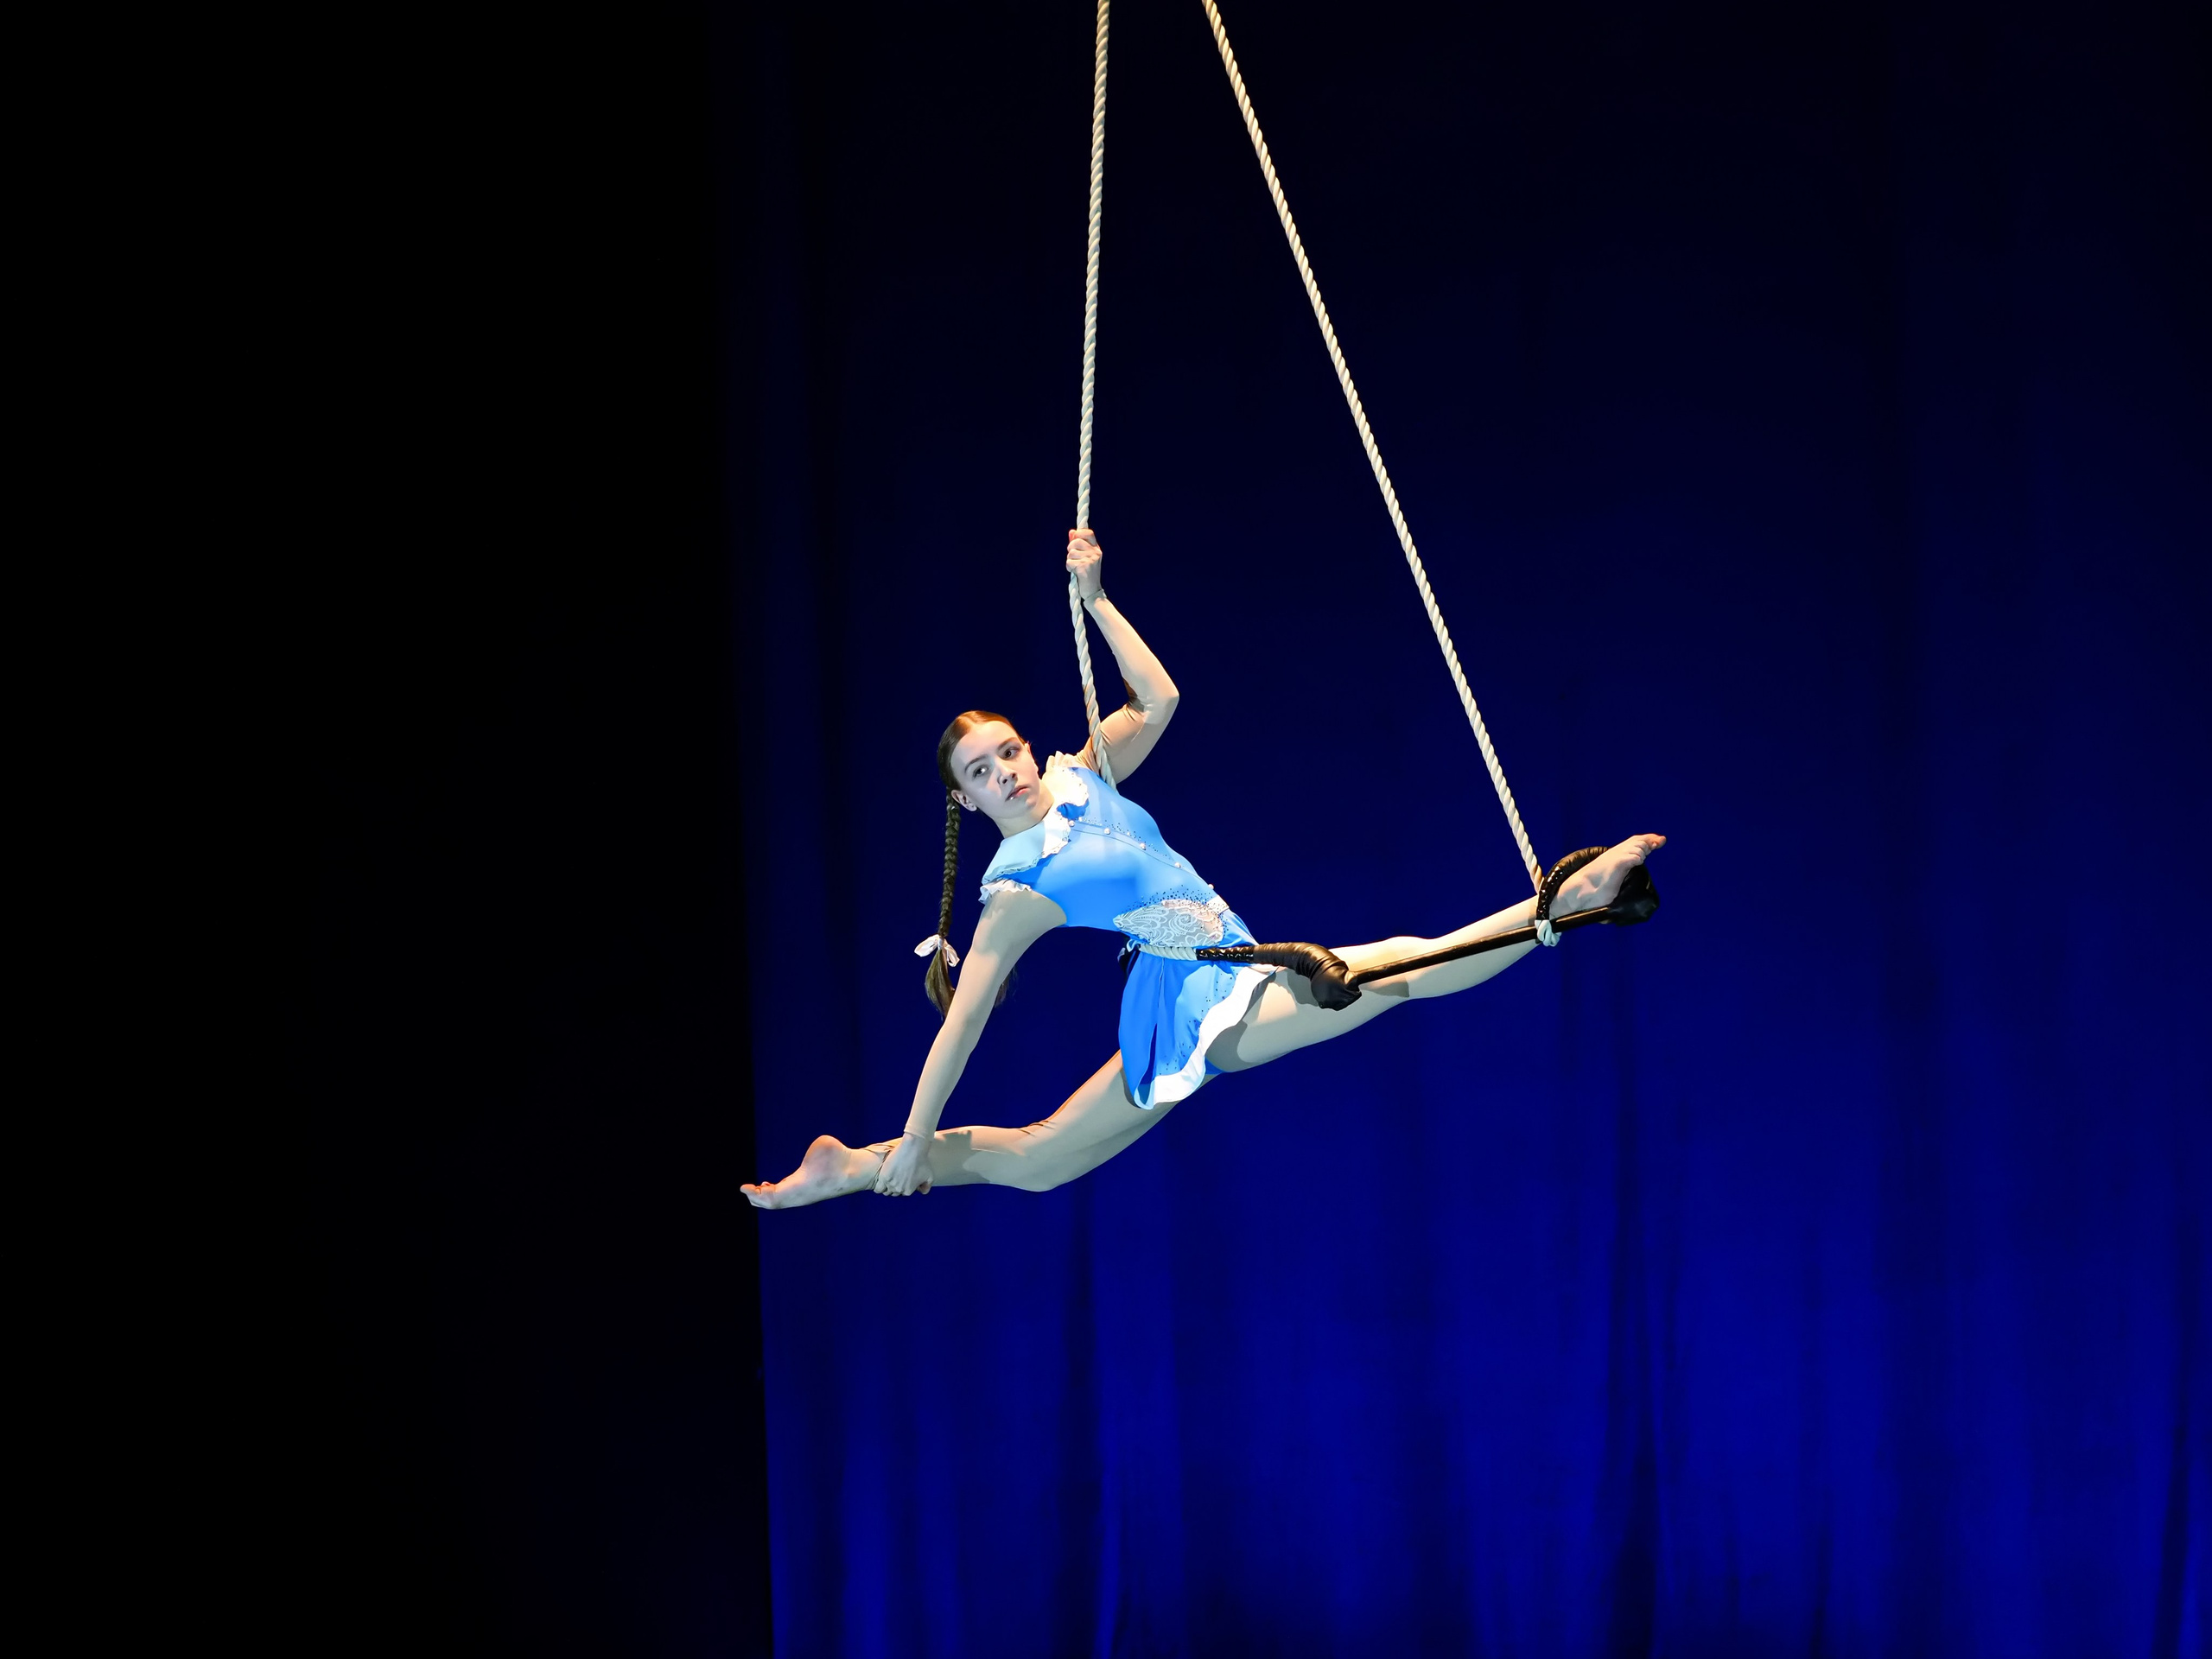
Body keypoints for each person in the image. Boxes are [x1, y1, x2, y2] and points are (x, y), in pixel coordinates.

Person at [742, 530, 1664, 1209]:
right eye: (982, 772)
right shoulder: (1019, 885)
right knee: (1394, 970)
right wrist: (913, 1136)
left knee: (1040, 1159)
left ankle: (844, 1166)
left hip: (1212, 969)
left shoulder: (1081, 773)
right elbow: (965, 1022)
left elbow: (1162, 697)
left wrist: (1097, 601)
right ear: (965, 802)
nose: (1009, 773)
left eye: (1011, 751)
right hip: (1199, 988)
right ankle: (1561, 904)